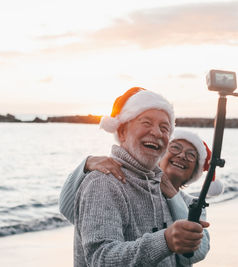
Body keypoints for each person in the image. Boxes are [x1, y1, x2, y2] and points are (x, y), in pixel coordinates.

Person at [64, 87, 212, 266]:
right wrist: (165, 241)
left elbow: (196, 252)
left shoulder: (161, 189)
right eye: (146, 123)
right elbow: (100, 258)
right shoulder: (103, 182)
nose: (157, 133)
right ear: (122, 132)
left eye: (164, 128)